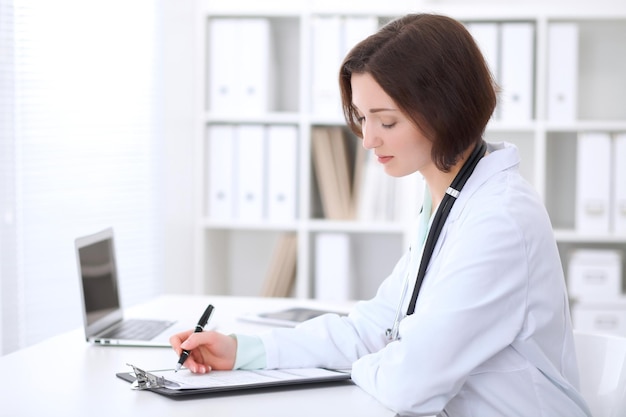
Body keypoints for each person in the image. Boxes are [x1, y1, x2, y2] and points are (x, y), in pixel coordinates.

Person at [171, 13, 591, 417]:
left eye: (386, 121)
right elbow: (373, 327)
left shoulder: (498, 220)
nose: (368, 139)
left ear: (445, 109)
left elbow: (411, 384)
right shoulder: (447, 200)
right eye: (362, 117)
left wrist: (376, 361)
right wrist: (244, 350)